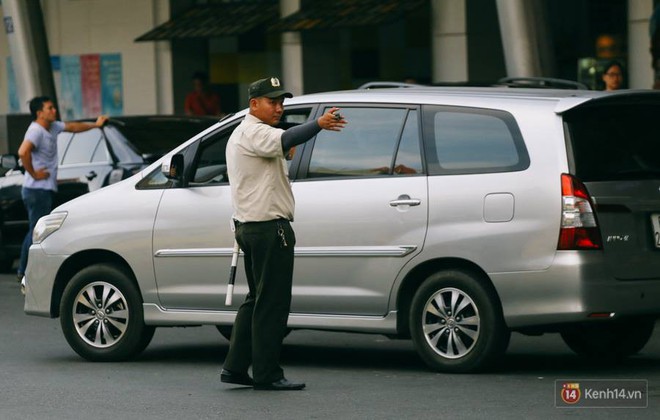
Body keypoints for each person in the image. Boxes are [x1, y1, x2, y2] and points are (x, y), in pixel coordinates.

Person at [221, 76, 346, 391]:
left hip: (250, 227)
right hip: (268, 228)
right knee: (272, 304)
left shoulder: (247, 132)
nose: (279, 107)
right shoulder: (255, 131)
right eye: (272, 102)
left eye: (281, 102)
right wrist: (317, 123)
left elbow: (283, 141)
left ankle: (235, 367)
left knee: (255, 300)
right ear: (254, 104)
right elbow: (288, 138)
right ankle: (267, 374)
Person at [17, 96, 108, 280]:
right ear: (39, 113)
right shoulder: (36, 131)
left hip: (43, 189)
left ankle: (23, 270)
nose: (54, 111)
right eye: (49, 108)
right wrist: (34, 173)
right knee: (37, 231)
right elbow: (23, 151)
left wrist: (95, 125)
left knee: (35, 229)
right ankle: (24, 271)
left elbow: (73, 127)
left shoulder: (53, 127)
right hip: (36, 189)